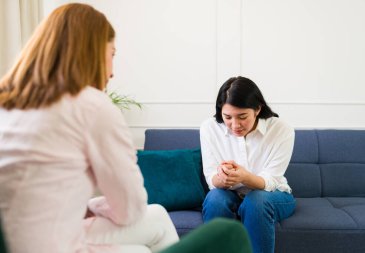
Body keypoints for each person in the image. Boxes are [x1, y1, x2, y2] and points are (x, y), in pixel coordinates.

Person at [0, 3, 179, 253]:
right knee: (146, 239)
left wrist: (87, 208)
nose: (113, 72)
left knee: (155, 220)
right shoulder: (91, 105)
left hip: (18, 239)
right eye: (112, 54)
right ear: (92, 51)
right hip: (50, 244)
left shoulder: (7, 102)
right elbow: (131, 209)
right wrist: (96, 208)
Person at [200, 76, 296, 253]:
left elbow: (271, 181)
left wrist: (245, 177)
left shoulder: (281, 130)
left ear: (257, 109)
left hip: (271, 194)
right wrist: (221, 177)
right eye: (227, 117)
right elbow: (211, 179)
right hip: (229, 193)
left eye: (242, 117)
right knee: (215, 199)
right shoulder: (209, 128)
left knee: (256, 201)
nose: (234, 125)